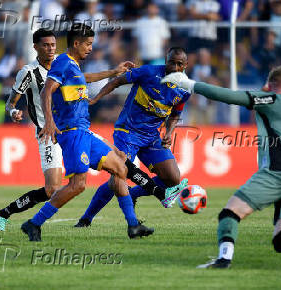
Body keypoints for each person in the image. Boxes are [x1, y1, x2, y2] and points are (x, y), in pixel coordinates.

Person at [18, 24, 177, 241]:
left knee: (121, 168)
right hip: (73, 133)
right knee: (78, 185)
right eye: (88, 44)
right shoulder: (63, 62)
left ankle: (133, 226)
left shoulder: (72, 66)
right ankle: (34, 223)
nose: (91, 49)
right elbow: (47, 89)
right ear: (76, 43)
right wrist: (49, 122)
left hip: (84, 132)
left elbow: (86, 78)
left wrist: (114, 71)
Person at [161, 66, 281, 271]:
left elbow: (231, 97)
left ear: (270, 86)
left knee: (230, 213)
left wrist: (189, 85)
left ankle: (223, 259)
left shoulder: (271, 99)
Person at [0, 28, 138, 232]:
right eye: (46, 45)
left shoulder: (65, 62)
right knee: (53, 189)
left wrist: (113, 72)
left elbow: (83, 77)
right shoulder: (29, 72)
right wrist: (13, 111)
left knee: (119, 159)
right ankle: (4, 214)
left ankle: (130, 223)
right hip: (48, 132)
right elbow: (12, 102)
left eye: (53, 45)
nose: (51, 49)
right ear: (36, 47)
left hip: (75, 128)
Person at [74, 47, 191, 228]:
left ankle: (134, 194)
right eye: (171, 62)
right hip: (127, 132)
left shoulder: (186, 88)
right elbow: (116, 82)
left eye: (179, 64)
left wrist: (169, 133)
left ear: (185, 66)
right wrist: (95, 99)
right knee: (117, 176)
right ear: (165, 60)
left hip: (152, 137)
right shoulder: (148, 72)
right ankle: (86, 219)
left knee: (173, 178)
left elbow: (175, 114)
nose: (175, 67)